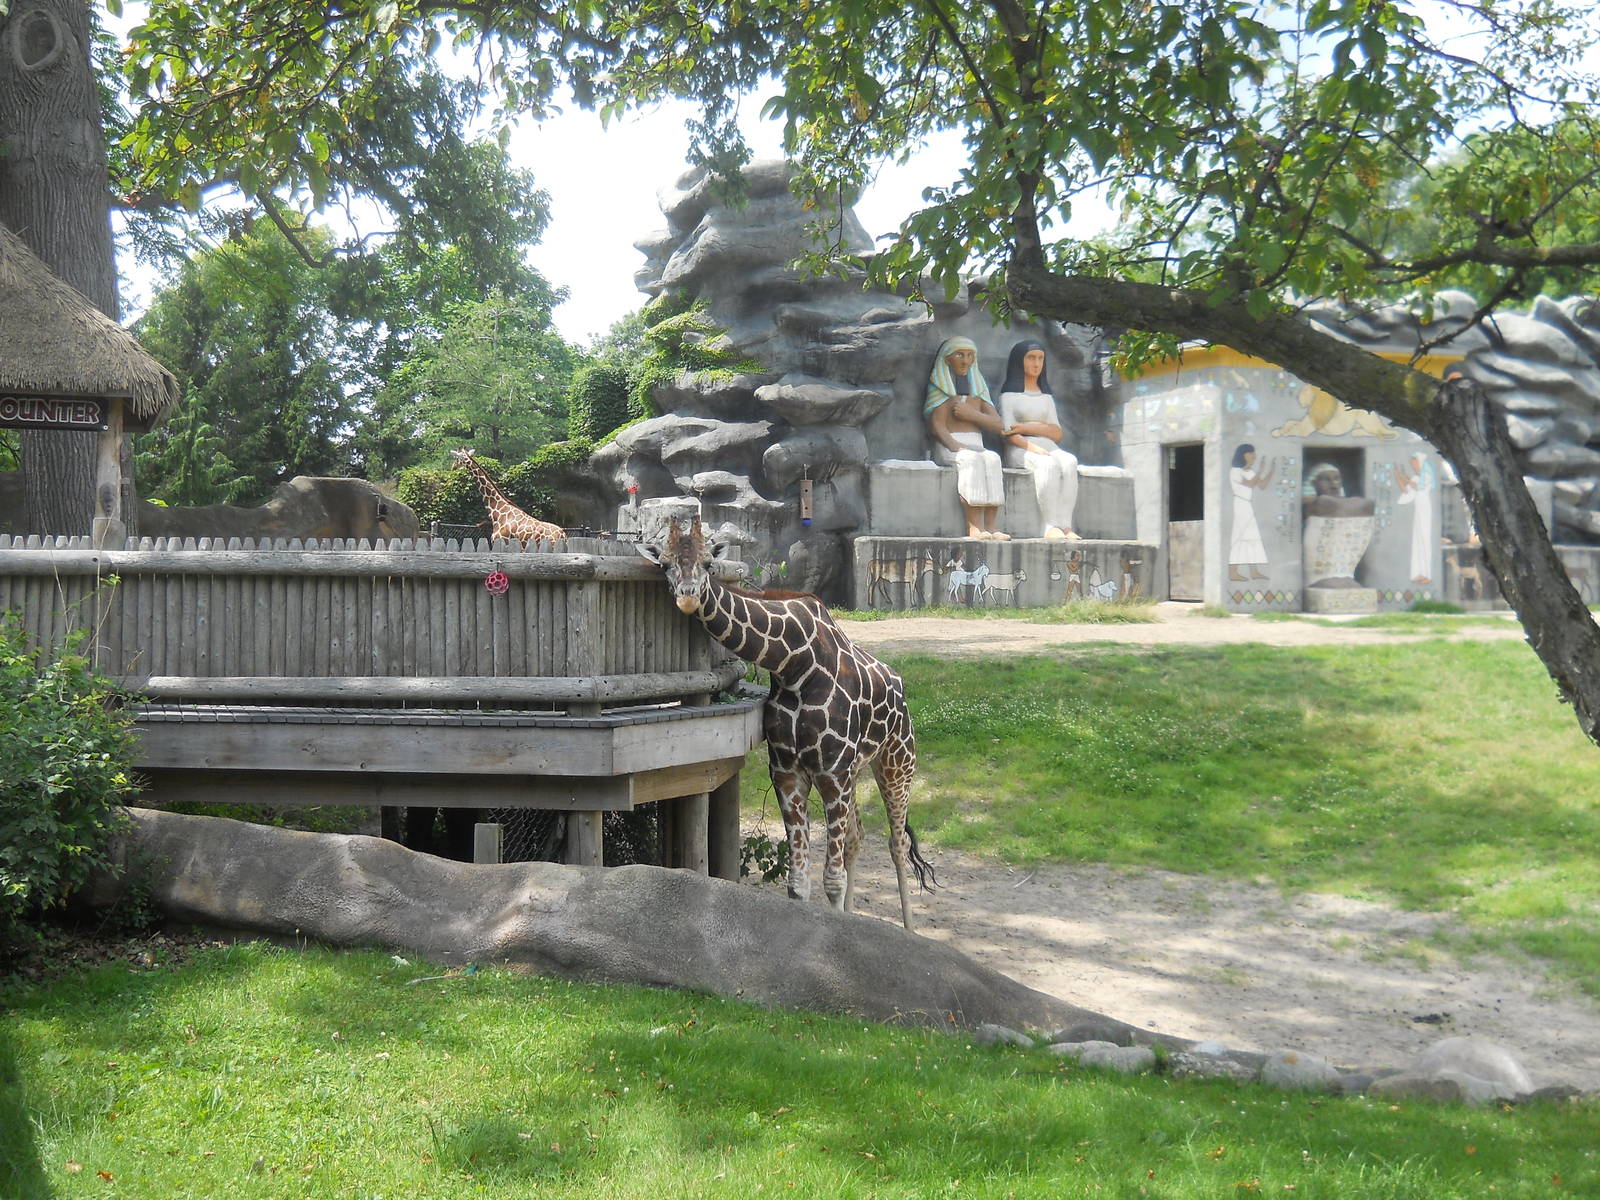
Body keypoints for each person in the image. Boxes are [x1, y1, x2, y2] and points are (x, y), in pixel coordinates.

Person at [925, 335, 1009, 539]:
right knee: (970, 461)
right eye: (960, 354)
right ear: (947, 359)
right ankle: (974, 526)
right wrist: (957, 446)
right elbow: (937, 426)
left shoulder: (978, 392)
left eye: (970, 355)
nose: (965, 360)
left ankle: (991, 526)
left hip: (977, 445)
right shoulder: (942, 390)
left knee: (993, 459)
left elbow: (999, 425)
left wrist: (972, 415)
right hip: (950, 446)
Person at [997, 339, 1080, 540]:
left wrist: (1026, 427)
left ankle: (1066, 525)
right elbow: (1009, 433)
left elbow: (1057, 433)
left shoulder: (1046, 397)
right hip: (1021, 449)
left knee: (1070, 462)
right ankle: (1050, 525)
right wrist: (1033, 444)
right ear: (1020, 361)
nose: (1036, 363)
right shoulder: (1008, 396)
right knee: (1047, 466)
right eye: (1031, 358)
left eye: (1040, 358)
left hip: (1049, 446)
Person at [1229, 443, 1275, 582]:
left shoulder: (1251, 472)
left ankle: (1254, 572)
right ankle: (1233, 572)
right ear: (1243, 455)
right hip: (1240, 504)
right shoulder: (1235, 471)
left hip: (1247, 505)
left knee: (1252, 537)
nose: (1254, 456)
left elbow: (1262, 485)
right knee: (1239, 536)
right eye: (1251, 453)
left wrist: (1271, 470)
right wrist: (1260, 470)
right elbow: (1249, 484)